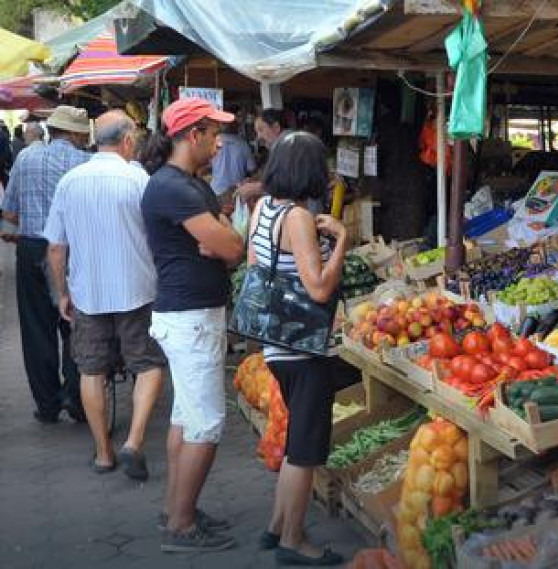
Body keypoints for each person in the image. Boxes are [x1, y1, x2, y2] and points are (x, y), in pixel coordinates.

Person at [140, 98, 243, 553]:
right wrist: (220, 242)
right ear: (191, 135)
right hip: (191, 316)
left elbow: (227, 240)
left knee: (186, 417)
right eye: (213, 132)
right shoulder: (173, 188)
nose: (219, 142)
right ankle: (181, 525)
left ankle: (175, 510)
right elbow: (232, 246)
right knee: (206, 424)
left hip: (192, 313)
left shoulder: (189, 185)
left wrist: (221, 242)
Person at [43, 110, 166, 480]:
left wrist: (63, 292)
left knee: (91, 369)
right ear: (127, 140)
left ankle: (103, 453)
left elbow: (55, 248)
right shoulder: (137, 178)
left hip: (88, 292)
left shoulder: (70, 181)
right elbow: (157, 236)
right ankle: (134, 442)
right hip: (137, 290)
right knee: (148, 364)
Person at [250, 132, 350, 566]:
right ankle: (294, 541)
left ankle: (275, 527)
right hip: (304, 350)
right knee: (304, 451)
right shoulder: (297, 218)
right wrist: (342, 239)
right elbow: (320, 288)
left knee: (296, 440)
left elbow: (256, 267)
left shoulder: (262, 209)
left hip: (276, 343)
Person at [0, 105, 90, 424]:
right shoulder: (86, 163)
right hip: (71, 251)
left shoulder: (25, 158)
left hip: (31, 248)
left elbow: (8, 213)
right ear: (78, 134)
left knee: (36, 328)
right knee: (76, 324)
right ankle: (79, 398)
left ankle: (48, 403)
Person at [211, 119, 255, 199]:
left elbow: (206, 166)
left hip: (216, 191)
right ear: (235, 126)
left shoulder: (213, 142)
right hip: (237, 192)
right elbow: (251, 169)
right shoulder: (243, 144)